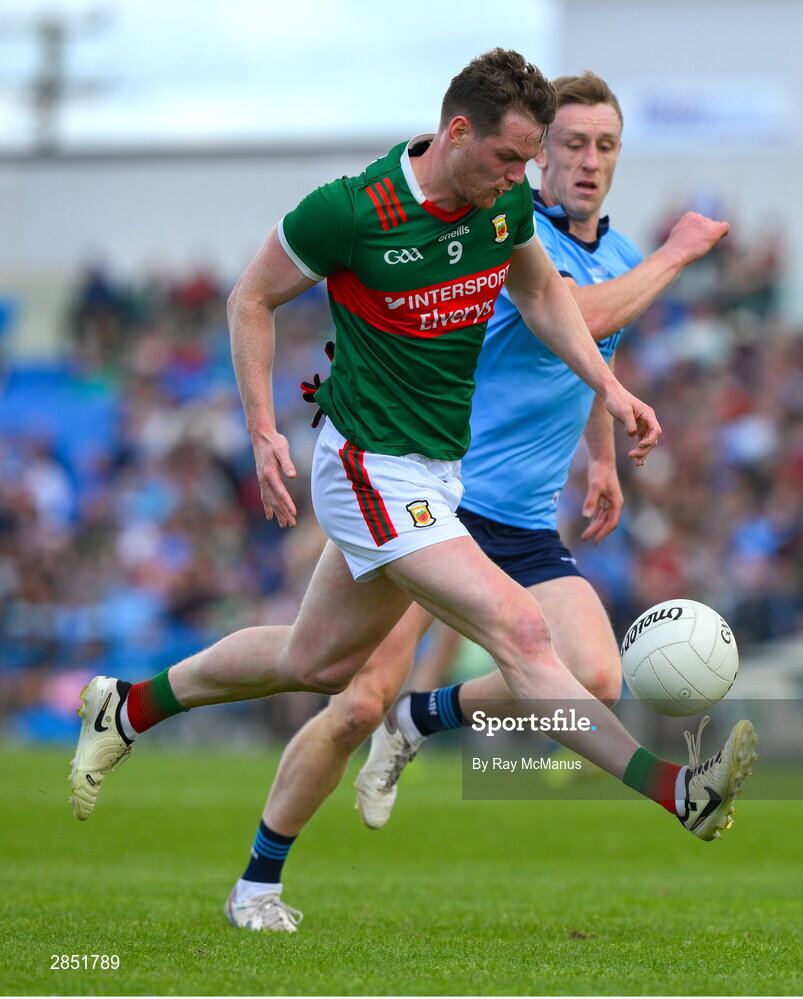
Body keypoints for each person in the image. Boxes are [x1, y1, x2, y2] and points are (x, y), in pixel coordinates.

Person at [67, 50, 756, 919]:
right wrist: (261, 427)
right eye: (512, 158)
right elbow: (250, 297)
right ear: (457, 132)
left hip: (437, 470)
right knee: (519, 632)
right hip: (367, 464)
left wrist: (613, 394)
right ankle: (680, 791)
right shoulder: (351, 211)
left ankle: (125, 709)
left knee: (315, 663)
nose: (524, 178)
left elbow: (547, 301)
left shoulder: (501, 205)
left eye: (532, 160)